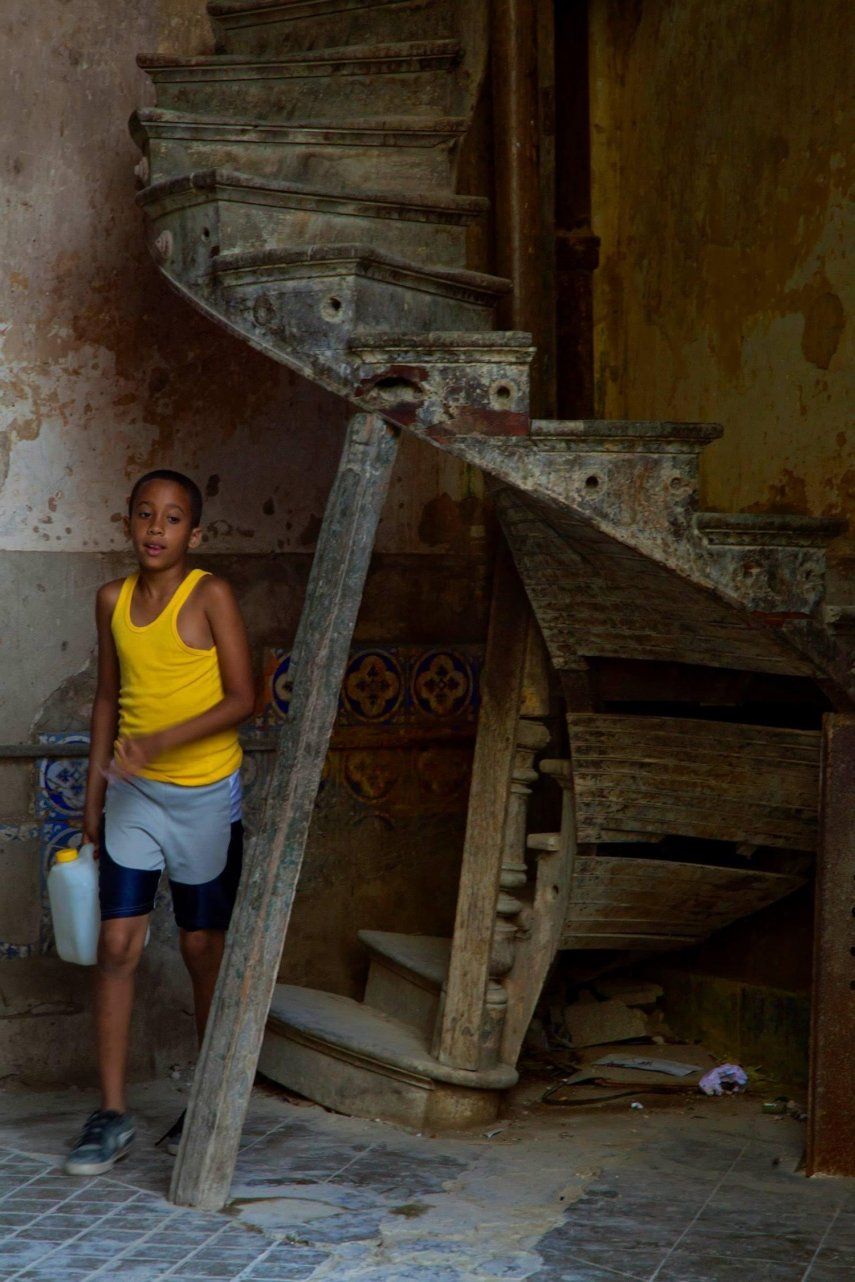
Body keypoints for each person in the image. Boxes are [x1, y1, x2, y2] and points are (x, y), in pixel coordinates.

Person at [64, 469, 255, 1176]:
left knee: (202, 947)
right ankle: (111, 1115)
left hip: (205, 794)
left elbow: (245, 698)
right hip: (133, 796)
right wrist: (93, 792)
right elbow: (108, 699)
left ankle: (206, 1099)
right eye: (145, 514)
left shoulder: (210, 595)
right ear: (128, 523)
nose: (156, 528)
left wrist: (159, 746)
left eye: (173, 519)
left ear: (193, 535)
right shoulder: (111, 600)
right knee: (116, 945)